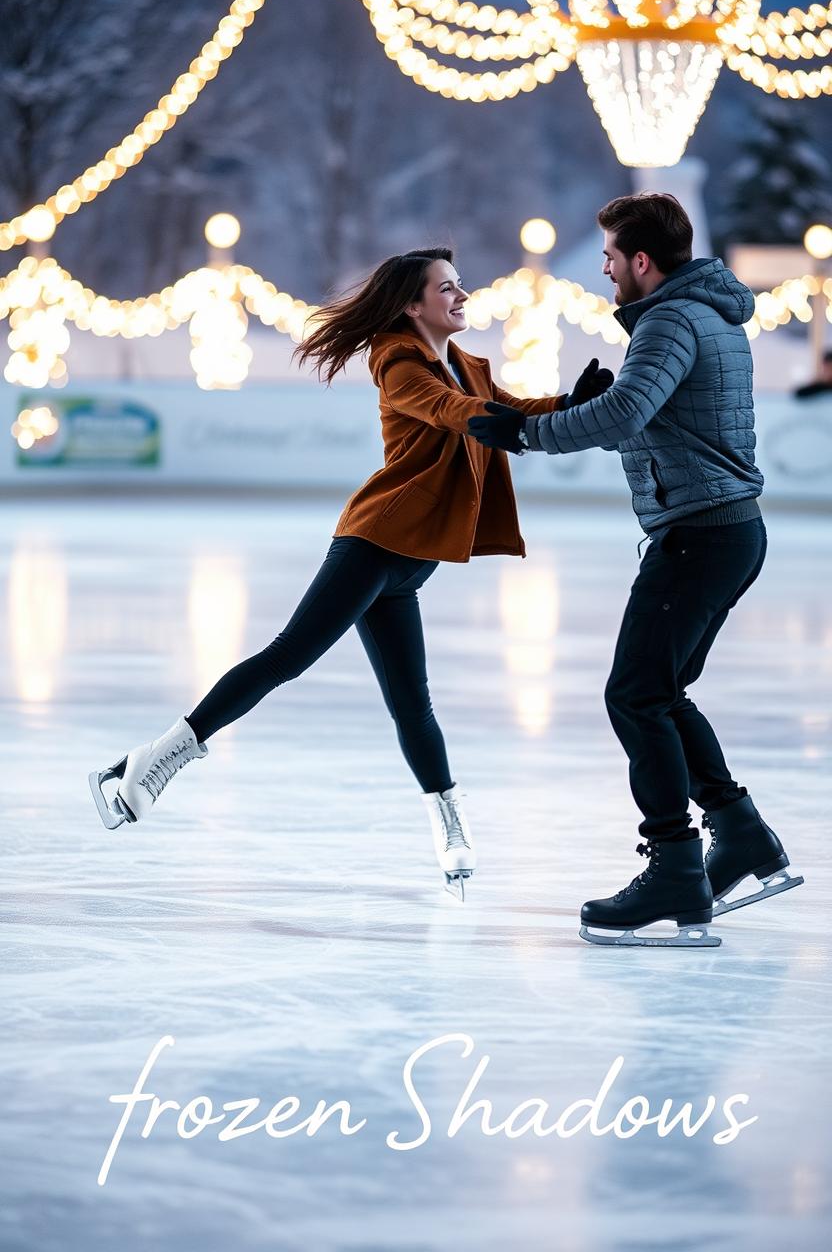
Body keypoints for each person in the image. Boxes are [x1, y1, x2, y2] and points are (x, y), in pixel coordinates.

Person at [89, 247, 611, 901]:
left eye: (460, 285)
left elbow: (512, 405)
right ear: (412, 305)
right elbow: (446, 410)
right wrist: (491, 423)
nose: (462, 296)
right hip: (376, 540)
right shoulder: (397, 360)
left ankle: (449, 826)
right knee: (288, 657)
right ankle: (157, 758)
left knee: (411, 702)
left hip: (411, 561)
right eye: (446, 288)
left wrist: (571, 402)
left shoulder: (470, 364)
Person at [469, 194, 803, 945]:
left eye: (613, 258)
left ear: (642, 262)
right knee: (660, 692)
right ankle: (740, 835)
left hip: (701, 536)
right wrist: (595, 404)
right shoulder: (703, 314)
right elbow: (663, 420)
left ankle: (676, 867)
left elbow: (625, 417)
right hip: (726, 530)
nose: (607, 270)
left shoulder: (669, 319)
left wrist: (526, 433)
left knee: (635, 696)